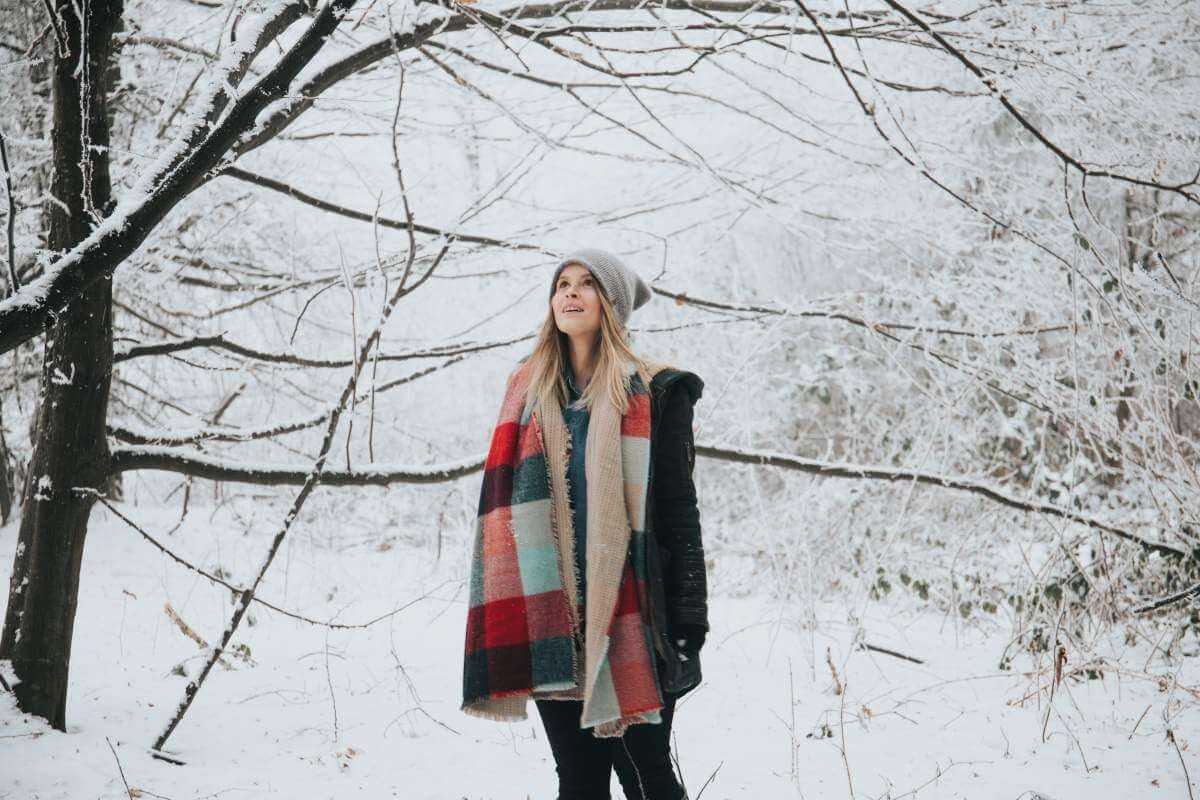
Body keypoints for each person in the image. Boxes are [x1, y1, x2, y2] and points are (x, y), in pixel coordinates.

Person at [462, 248, 709, 800]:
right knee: (578, 781)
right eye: (562, 284)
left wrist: (690, 620)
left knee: (646, 776)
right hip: (550, 617)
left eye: (587, 283)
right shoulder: (526, 392)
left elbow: (678, 510)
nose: (570, 292)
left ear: (612, 303)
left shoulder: (658, 391)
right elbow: (501, 511)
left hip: (634, 614)